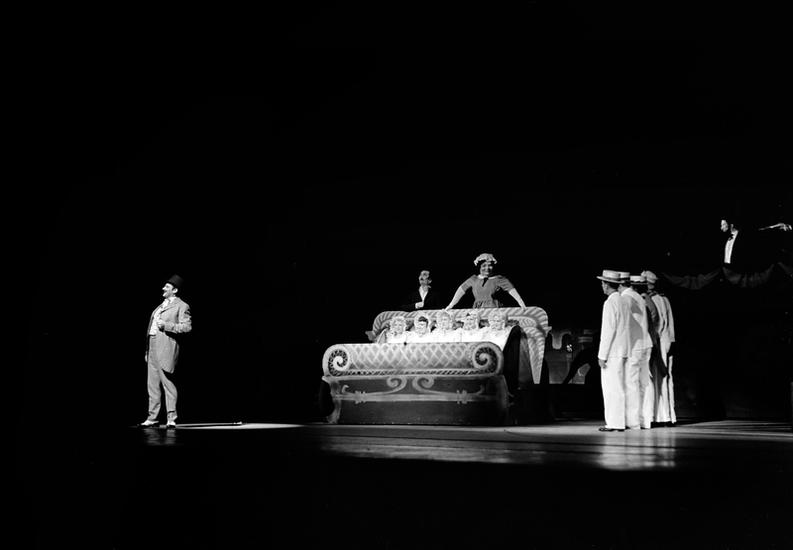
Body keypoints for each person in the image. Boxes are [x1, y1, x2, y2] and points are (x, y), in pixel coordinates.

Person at [140, 274, 192, 428]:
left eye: (167, 287)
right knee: (152, 385)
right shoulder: (160, 305)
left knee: (168, 384)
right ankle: (152, 418)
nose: (163, 288)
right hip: (152, 345)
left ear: (175, 290)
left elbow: (187, 327)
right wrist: (147, 351)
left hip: (166, 347)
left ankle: (171, 418)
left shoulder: (182, 306)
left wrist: (167, 325)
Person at [596, 269, 631, 432]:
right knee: (620, 387)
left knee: (611, 389)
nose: (602, 286)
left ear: (606, 284)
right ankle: (619, 421)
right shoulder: (623, 300)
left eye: (603, 283)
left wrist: (602, 355)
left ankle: (614, 423)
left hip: (613, 352)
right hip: (623, 349)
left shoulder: (610, 302)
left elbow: (608, 331)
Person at [643, 270, 677, 426]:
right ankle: (663, 416)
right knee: (661, 379)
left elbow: (660, 323)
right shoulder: (662, 299)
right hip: (662, 342)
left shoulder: (653, 299)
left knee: (657, 378)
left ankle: (657, 416)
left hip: (657, 342)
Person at [620, 273, 653, 430]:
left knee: (631, 383)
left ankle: (633, 422)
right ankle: (645, 420)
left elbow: (624, 325)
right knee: (644, 384)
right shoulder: (639, 297)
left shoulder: (626, 298)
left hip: (634, 345)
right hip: (646, 343)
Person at [445, 253, 527, 309]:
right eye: (484, 265)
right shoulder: (473, 279)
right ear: (479, 267)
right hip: (477, 310)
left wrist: (521, 303)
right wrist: (451, 305)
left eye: (490, 265)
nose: (487, 268)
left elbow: (511, 290)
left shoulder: (498, 279)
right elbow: (461, 290)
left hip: (494, 309)